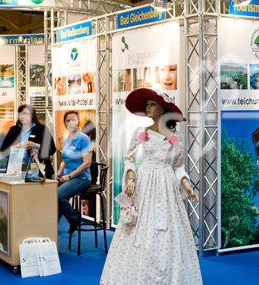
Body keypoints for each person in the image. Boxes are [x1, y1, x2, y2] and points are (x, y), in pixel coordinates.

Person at [100, 88, 201, 285]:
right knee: (139, 229)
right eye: (146, 105)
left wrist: (187, 186)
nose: (148, 108)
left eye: (152, 104)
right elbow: (129, 160)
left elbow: (178, 166)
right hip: (144, 184)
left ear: (163, 108)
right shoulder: (142, 133)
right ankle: (135, 276)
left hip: (166, 186)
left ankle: (168, 276)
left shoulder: (175, 138)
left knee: (166, 230)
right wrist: (130, 179)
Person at [56, 111, 92, 234]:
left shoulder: (83, 138)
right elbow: (65, 160)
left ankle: (74, 218)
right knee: (49, 194)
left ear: (78, 122)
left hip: (82, 179)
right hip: (67, 177)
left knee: (58, 195)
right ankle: (52, 227)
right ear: (65, 124)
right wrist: (60, 172)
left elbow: (87, 163)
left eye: (74, 120)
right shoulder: (67, 140)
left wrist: (69, 176)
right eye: (68, 120)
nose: (71, 122)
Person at [0, 104, 56, 178]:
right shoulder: (14, 130)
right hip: (16, 171)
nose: (22, 116)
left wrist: (36, 145)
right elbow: (3, 151)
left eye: (25, 113)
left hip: (39, 171)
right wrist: (16, 146)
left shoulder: (42, 129)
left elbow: (52, 149)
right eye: (20, 114)